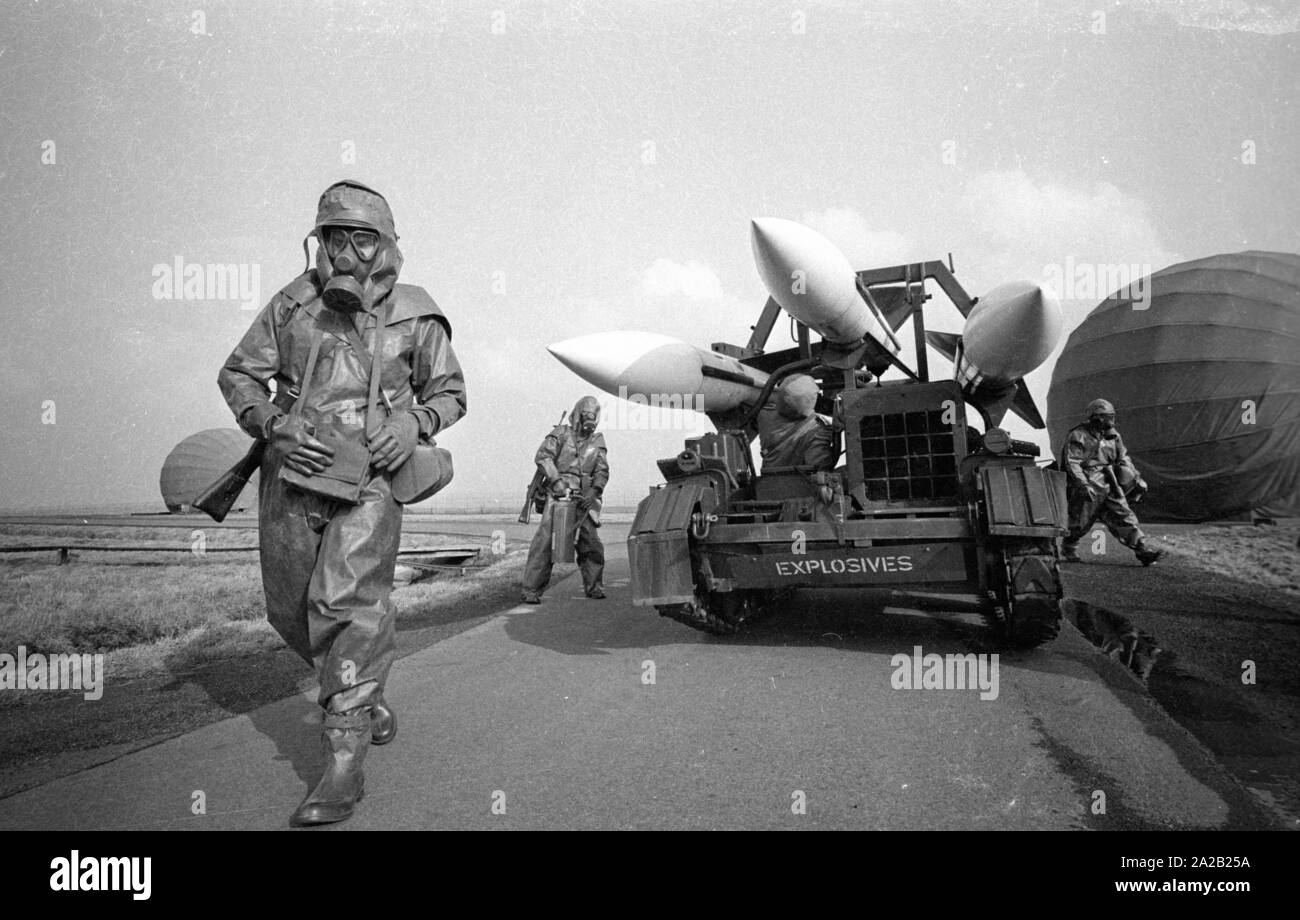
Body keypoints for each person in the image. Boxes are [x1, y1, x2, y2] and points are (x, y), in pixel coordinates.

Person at [218, 180, 467, 826]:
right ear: (319, 242)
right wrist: (273, 425)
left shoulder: (417, 315)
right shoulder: (293, 306)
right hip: (293, 477)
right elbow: (239, 374)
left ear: (386, 246)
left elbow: (451, 393)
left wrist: (414, 426)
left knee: (344, 603)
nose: (351, 253)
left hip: (373, 485)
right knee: (292, 609)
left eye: (365, 239)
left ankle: (343, 763)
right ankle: (361, 690)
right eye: (337, 237)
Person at [521, 396, 609, 603]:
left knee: (591, 545)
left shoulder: (597, 441)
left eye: (593, 416)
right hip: (558, 496)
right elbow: (543, 457)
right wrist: (556, 480)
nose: (590, 419)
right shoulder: (560, 434)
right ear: (578, 414)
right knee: (544, 543)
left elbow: (602, 471)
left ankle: (594, 586)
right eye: (586, 414)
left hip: (584, 499)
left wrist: (594, 492)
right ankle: (531, 589)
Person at [1059, 398, 1164, 566]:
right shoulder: (1078, 435)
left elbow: (1123, 458)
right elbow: (1072, 462)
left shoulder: (1113, 436)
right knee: (1079, 522)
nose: (1110, 420)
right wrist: (1083, 484)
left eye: (1111, 416)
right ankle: (1069, 549)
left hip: (1110, 481)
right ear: (1095, 417)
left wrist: (1136, 478)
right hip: (1089, 482)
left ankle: (1142, 549)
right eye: (1105, 416)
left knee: (1123, 515)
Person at [756, 373, 837, 504]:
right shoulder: (818, 430)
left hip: (768, 491)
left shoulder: (764, 416)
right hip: (800, 495)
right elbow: (818, 466)